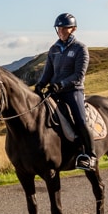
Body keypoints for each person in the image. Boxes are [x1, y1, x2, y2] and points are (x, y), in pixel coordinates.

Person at [35, 12, 96, 170]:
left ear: (73, 29)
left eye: (64, 28)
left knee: (81, 121)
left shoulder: (80, 48)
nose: (61, 31)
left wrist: (61, 84)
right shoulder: (54, 49)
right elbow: (48, 72)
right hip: (55, 91)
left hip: (73, 91)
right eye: (59, 28)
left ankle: (90, 155)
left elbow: (78, 75)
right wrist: (40, 84)